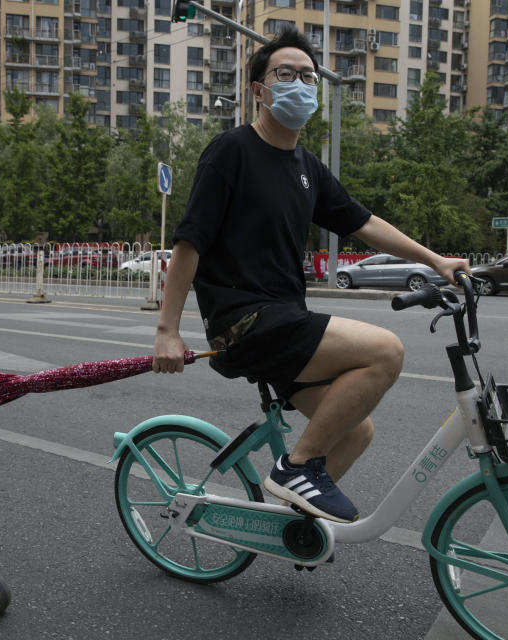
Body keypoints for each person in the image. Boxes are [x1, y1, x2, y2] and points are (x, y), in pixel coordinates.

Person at [152, 28, 470, 524]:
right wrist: (167, 330)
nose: (300, 83)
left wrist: (435, 260)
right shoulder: (231, 151)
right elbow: (189, 242)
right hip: (246, 321)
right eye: (286, 73)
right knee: (385, 350)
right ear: (259, 90)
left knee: (356, 431)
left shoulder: (308, 167)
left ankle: (281, 524)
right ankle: (296, 467)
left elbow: (365, 223)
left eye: (308, 75)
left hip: (285, 322)